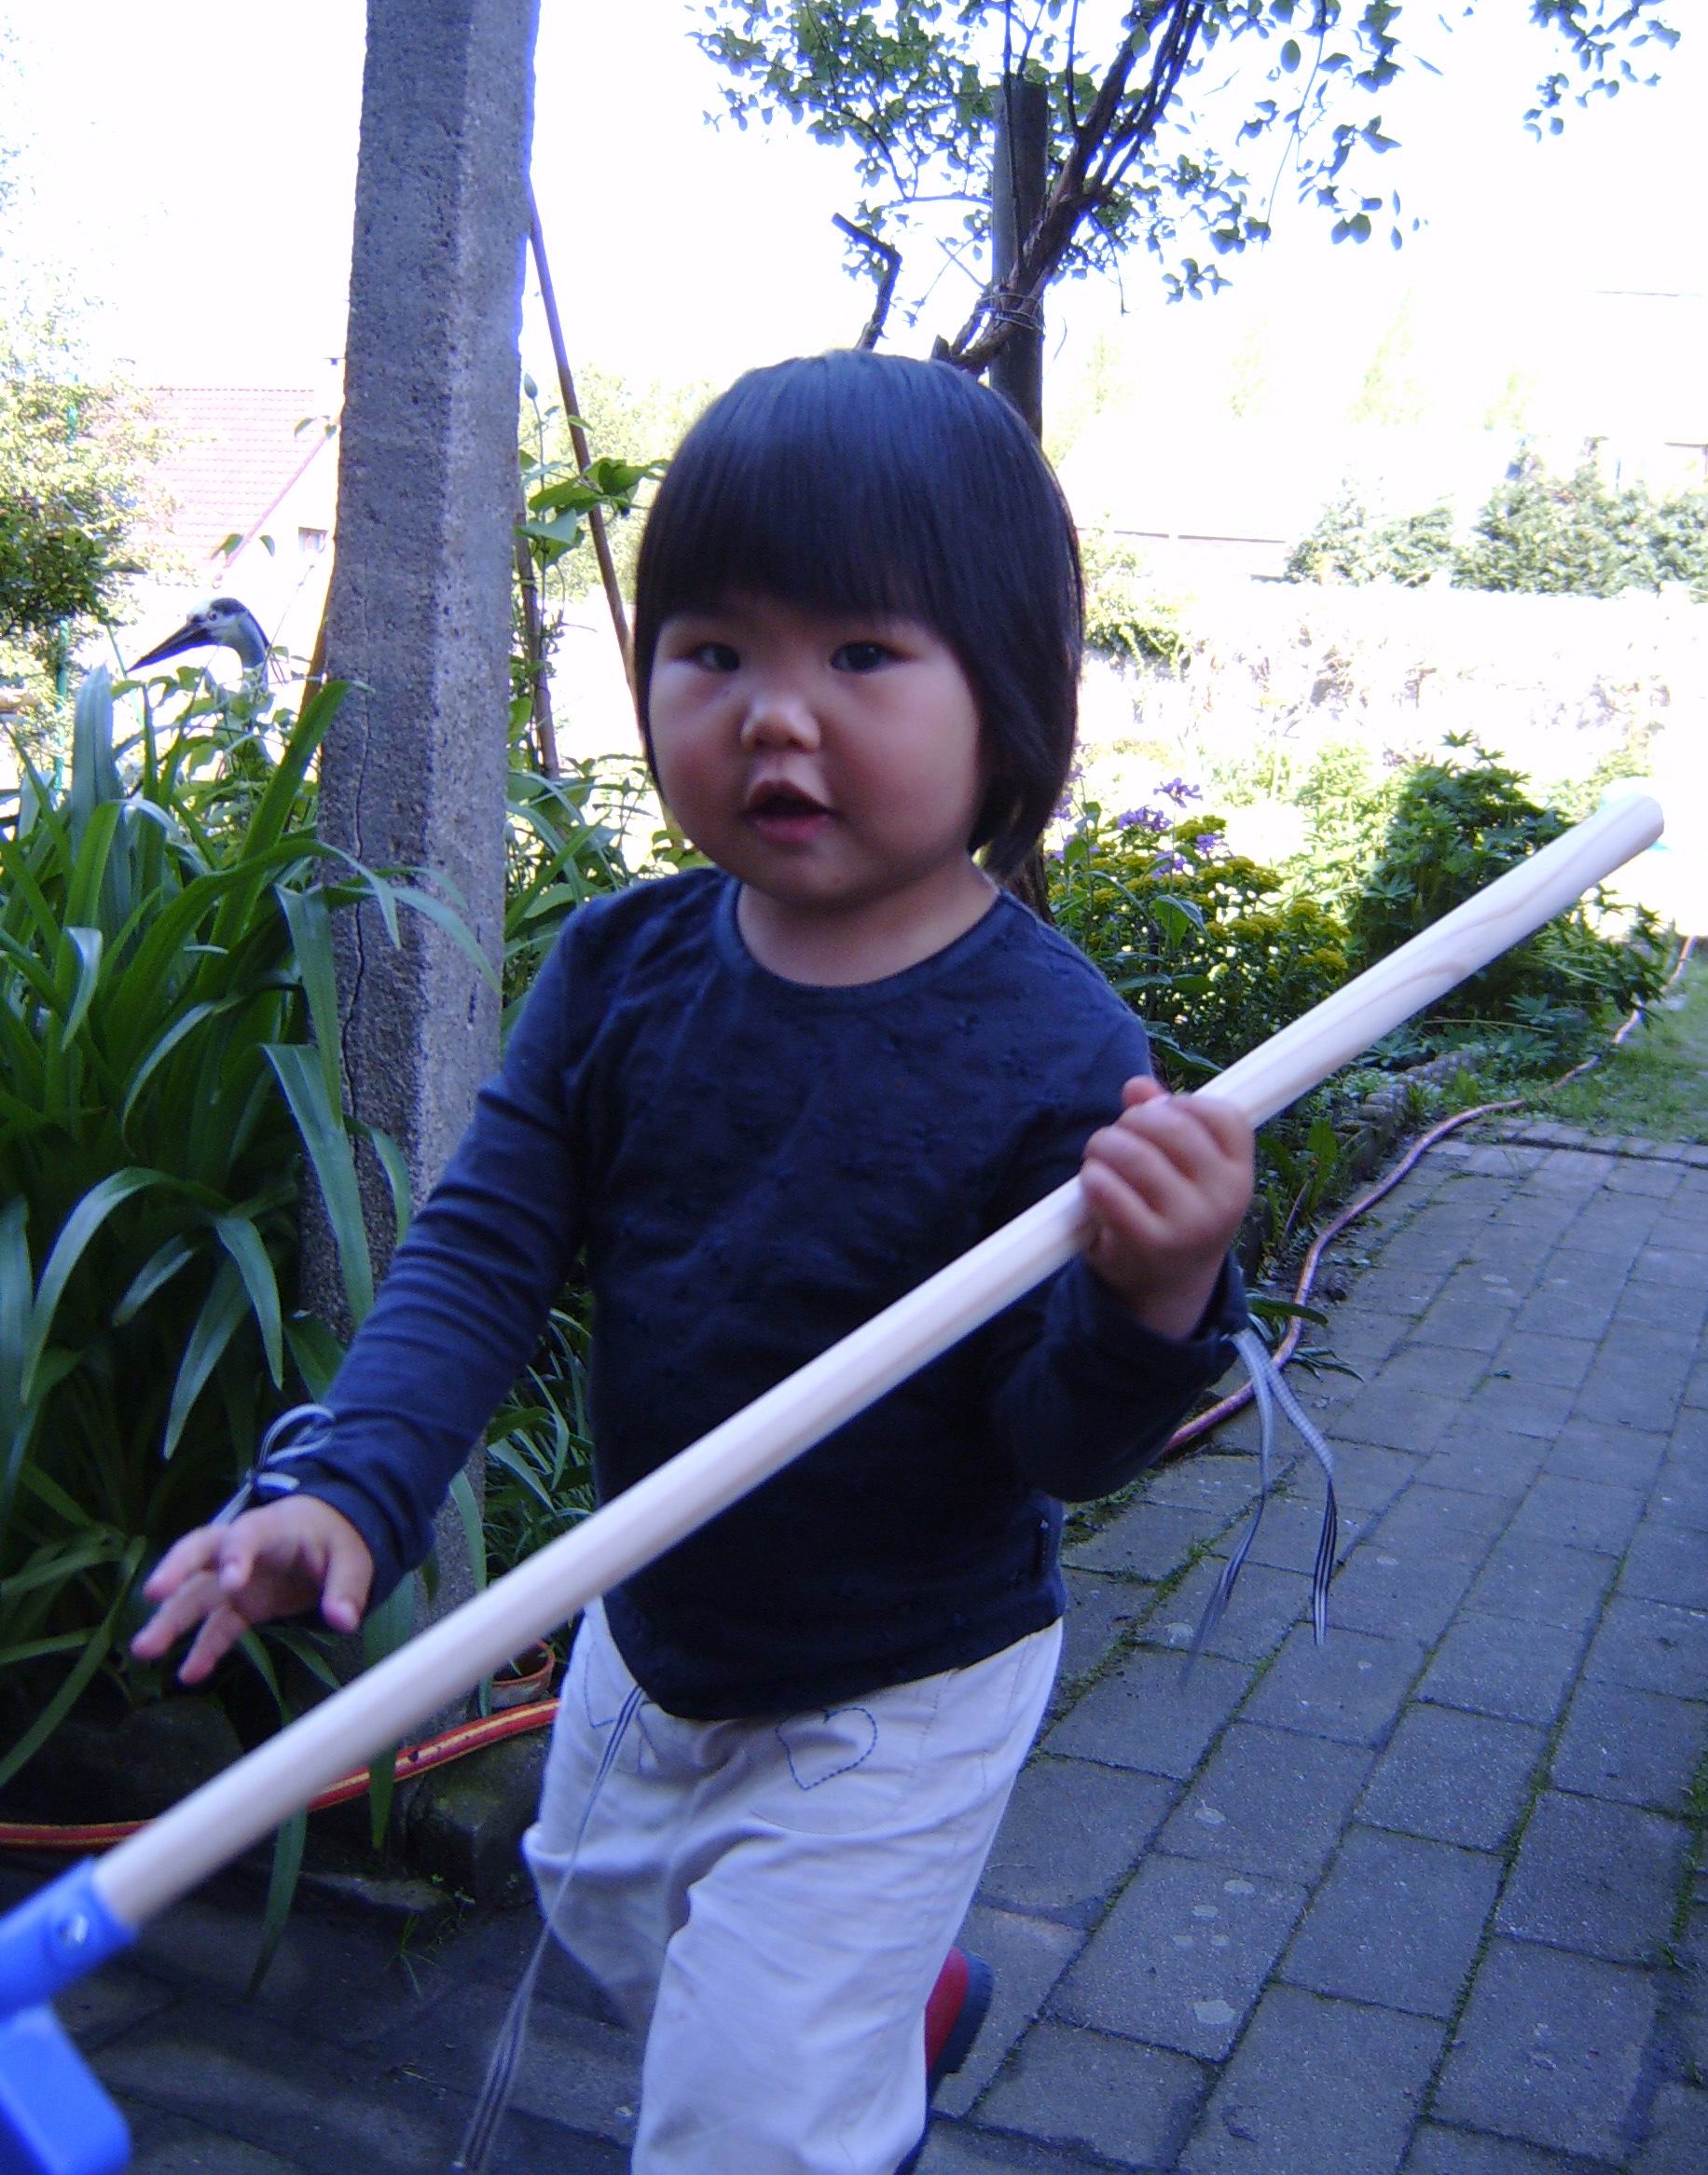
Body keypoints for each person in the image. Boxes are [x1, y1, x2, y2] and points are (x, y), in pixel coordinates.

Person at [132, 351, 1256, 2175]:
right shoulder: (621, 977)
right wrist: (347, 1484)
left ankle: (832, 2077)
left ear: (1007, 698)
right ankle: (880, 2011)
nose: (772, 717)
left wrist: (1152, 1296)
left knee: (748, 2118)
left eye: (862, 655)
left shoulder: (1059, 1056)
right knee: (595, 1897)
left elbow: (1058, 1446)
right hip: (656, 1626)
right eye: (714, 650)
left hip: (899, 1684)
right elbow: (481, 1255)